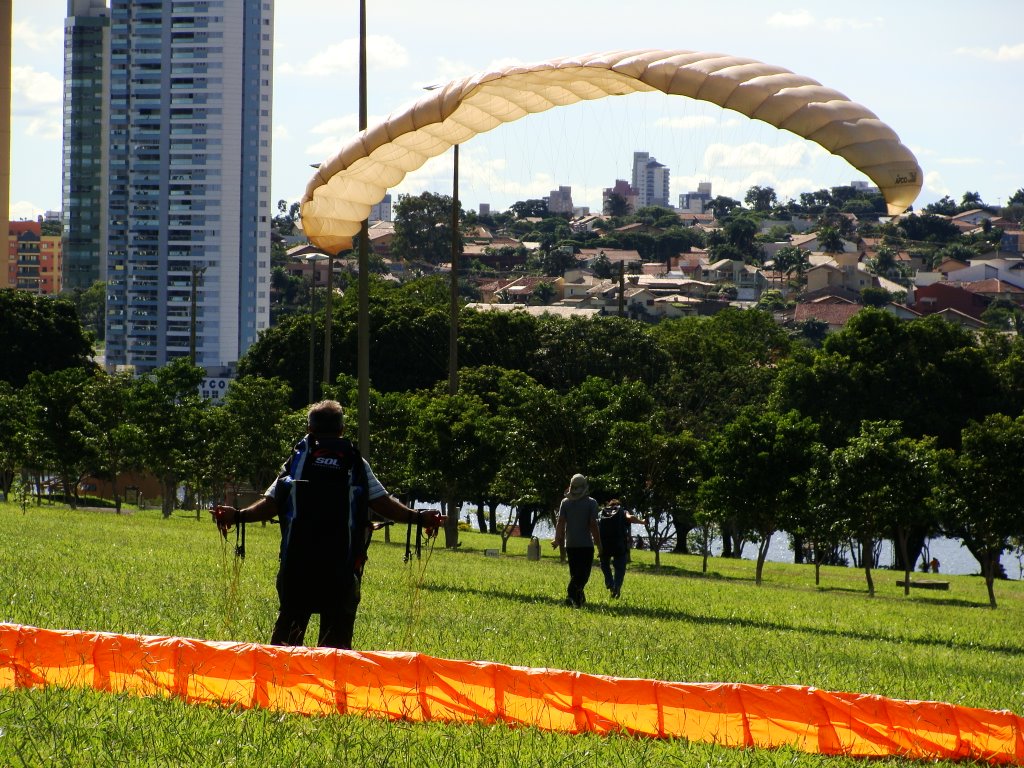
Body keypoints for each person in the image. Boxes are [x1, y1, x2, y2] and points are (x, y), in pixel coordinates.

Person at [210, 400, 444, 650]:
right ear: (342, 430)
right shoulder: (354, 462)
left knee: (287, 638)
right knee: (335, 646)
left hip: (297, 566)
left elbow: (271, 503)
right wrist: (419, 518)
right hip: (341, 567)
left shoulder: (297, 461)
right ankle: (331, 686)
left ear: (309, 429)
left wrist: (237, 516)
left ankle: (280, 683)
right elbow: (383, 504)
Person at [551, 473, 602, 607]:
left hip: (571, 545)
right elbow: (593, 525)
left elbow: (560, 522)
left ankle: (578, 600)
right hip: (585, 545)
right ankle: (571, 593)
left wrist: (557, 539)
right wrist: (599, 545)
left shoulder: (565, 502)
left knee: (575, 573)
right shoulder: (592, 503)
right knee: (583, 575)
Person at [598, 500, 643, 598]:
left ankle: (610, 584)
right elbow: (630, 518)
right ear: (619, 505)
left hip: (605, 544)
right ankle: (617, 586)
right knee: (620, 567)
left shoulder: (602, 512)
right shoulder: (622, 511)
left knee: (604, 564)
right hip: (619, 544)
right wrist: (642, 522)